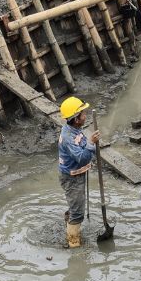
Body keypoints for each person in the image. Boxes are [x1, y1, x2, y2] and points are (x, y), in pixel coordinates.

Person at [57, 96, 101, 248]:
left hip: (76, 174)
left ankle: (70, 224)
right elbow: (82, 158)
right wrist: (91, 143)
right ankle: (73, 243)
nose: (85, 115)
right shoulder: (69, 137)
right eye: (83, 113)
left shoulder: (75, 129)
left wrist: (89, 144)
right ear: (76, 119)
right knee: (78, 213)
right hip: (71, 178)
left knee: (76, 207)